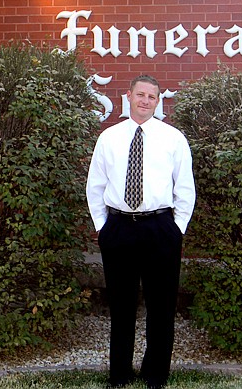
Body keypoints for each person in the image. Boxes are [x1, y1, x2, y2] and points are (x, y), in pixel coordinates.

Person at [86, 74, 196, 389]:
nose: (145, 101)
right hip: (119, 228)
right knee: (121, 305)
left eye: (151, 96)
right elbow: (95, 185)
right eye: (140, 95)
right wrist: (102, 227)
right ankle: (119, 373)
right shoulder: (109, 137)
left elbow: (185, 188)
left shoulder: (173, 138)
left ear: (157, 101)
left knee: (161, 306)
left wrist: (177, 229)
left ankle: (155, 373)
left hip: (160, 227)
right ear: (129, 96)